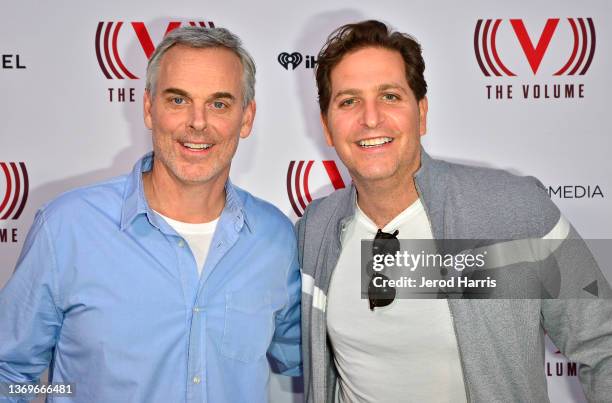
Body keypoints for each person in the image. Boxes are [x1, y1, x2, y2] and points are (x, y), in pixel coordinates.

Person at [297, 20, 612, 403]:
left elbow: (602, 341)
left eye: (390, 96)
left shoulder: (512, 211)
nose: (371, 117)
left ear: (422, 113)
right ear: (328, 128)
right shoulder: (315, 229)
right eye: (348, 101)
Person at [0, 26, 301, 403]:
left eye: (219, 104)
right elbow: (9, 373)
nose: (197, 122)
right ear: (148, 108)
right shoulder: (67, 228)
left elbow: (314, 359)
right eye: (178, 100)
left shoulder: (274, 237)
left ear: (246, 117)